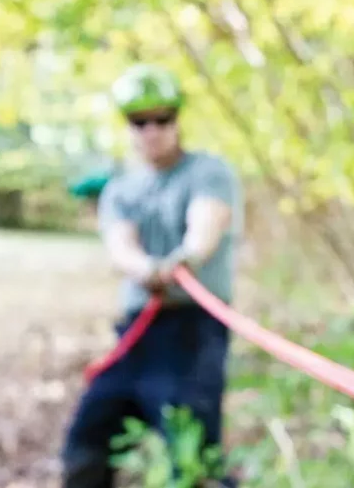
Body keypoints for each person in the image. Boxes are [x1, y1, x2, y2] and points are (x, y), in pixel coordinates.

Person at [61, 64, 243, 488]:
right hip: (136, 336)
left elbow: (205, 225)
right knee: (85, 444)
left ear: (177, 120)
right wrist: (147, 270)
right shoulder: (120, 190)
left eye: (162, 118)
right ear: (128, 125)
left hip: (194, 335)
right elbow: (121, 246)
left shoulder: (208, 172)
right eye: (139, 121)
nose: (152, 130)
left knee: (193, 458)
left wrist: (185, 259)